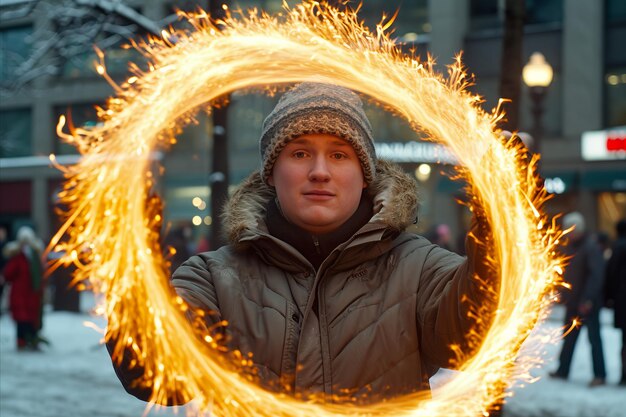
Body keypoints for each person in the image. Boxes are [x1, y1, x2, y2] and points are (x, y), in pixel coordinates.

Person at [108, 82, 497, 404]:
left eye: (340, 155)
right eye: (299, 153)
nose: (320, 172)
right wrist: (136, 270)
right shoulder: (213, 277)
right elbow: (155, 373)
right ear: (271, 174)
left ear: (365, 175)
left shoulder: (420, 268)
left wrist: (498, 229)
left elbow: (472, 336)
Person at [550, 212, 607, 386]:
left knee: (594, 339)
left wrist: (587, 300)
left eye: (572, 230)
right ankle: (563, 370)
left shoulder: (590, 247)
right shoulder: (571, 247)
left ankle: (599, 375)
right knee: (569, 337)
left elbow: (596, 276)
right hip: (573, 302)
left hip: (587, 303)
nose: (569, 233)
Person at [2, 226, 47, 351]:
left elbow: (41, 275)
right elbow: (8, 274)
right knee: (21, 320)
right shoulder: (17, 256)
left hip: (32, 294)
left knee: (32, 318)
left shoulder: (35, 256)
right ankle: (22, 341)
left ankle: (32, 340)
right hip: (20, 295)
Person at [605, 218, 626, 386]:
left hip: (622, 300)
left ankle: (624, 375)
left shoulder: (618, 247)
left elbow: (611, 274)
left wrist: (608, 297)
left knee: (625, 341)